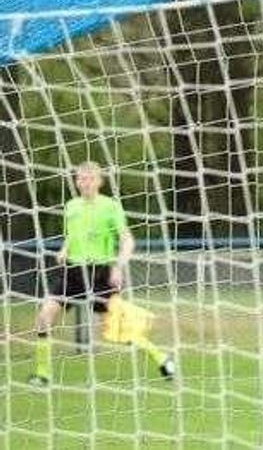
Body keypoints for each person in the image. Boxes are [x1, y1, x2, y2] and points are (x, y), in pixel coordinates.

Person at [29, 161, 174, 386]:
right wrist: (64, 249)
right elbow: (72, 235)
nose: (85, 183)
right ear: (77, 181)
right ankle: (43, 374)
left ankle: (162, 359)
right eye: (81, 178)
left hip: (99, 275)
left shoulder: (110, 207)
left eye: (90, 179)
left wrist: (118, 266)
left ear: (99, 181)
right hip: (73, 273)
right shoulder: (71, 206)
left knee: (119, 330)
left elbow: (127, 240)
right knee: (44, 316)